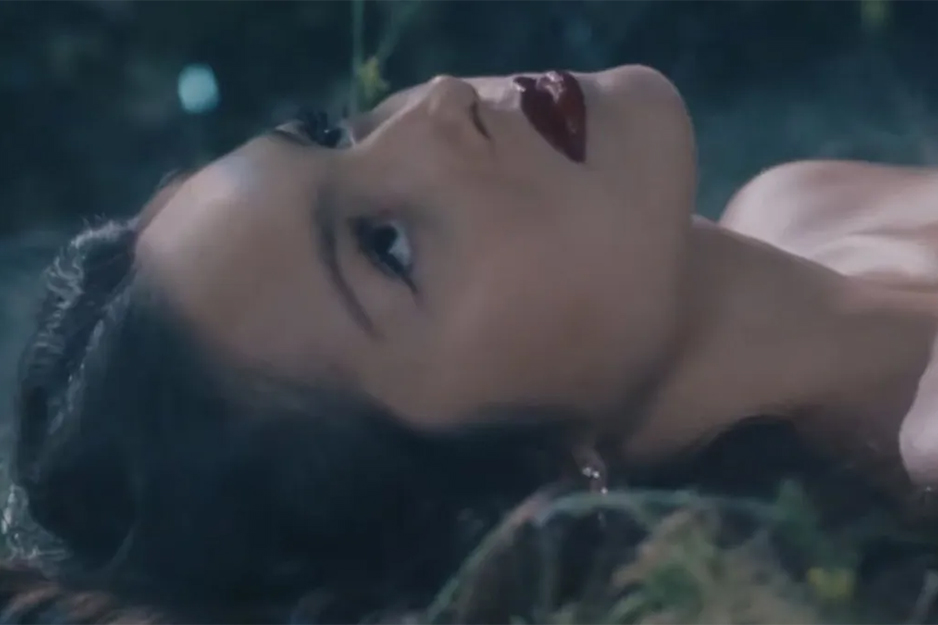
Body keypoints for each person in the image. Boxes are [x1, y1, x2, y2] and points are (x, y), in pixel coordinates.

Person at [5, 61, 938, 620]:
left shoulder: (802, 201)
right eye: (387, 246)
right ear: (527, 484)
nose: (440, 105)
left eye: (333, 135)